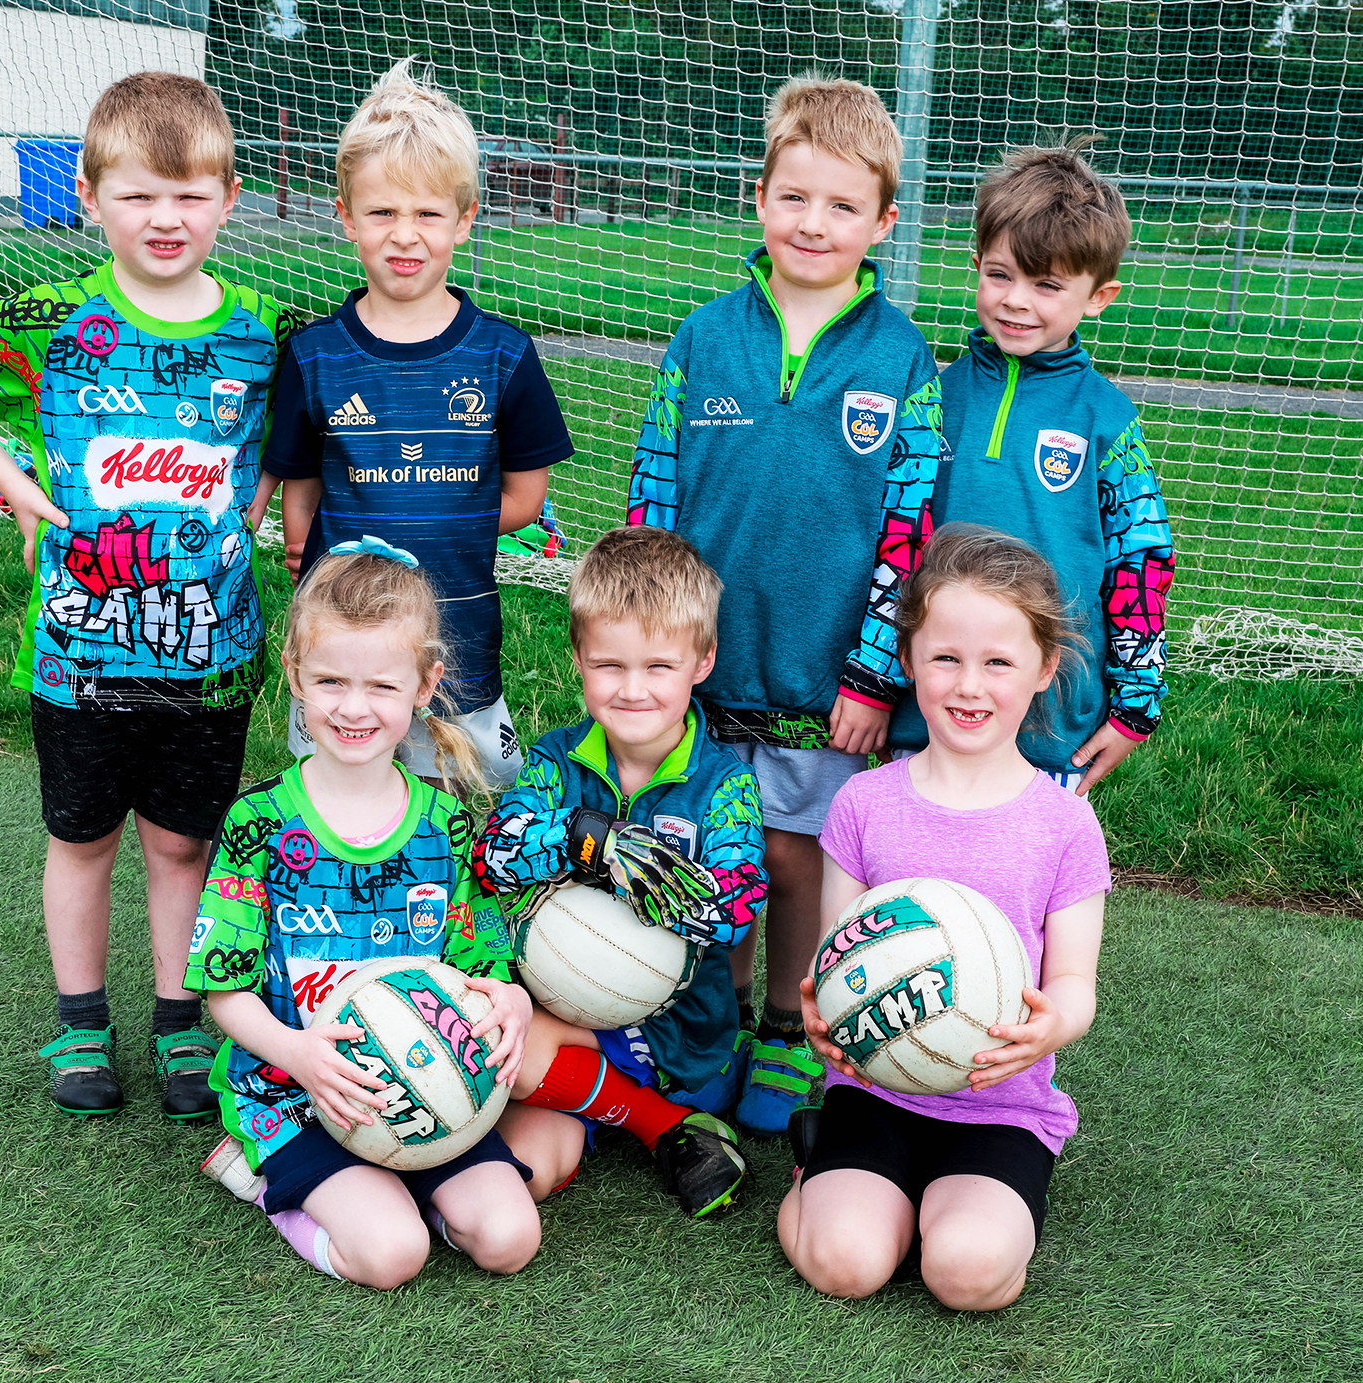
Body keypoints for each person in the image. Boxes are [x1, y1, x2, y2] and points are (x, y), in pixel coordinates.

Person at [0, 73, 292, 1121]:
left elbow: (297, 441)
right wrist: (19, 489)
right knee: (82, 839)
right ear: (88, 195)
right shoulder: (55, 322)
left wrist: (252, 504)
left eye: (189, 194)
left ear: (229, 197)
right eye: (139, 194)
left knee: (181, 844)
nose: (165, 218)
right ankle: (79, 1022)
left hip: (212, 653)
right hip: (78, 652)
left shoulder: (263, 333)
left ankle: (177, 1024)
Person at [626, 77, 947, 1138]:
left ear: (882, 223)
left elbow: (909, 531)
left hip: (824, 680)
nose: (814, 223)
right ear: (757, 197)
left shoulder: (902, 360)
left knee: (797, 856)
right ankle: (701, 1023)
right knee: (709, 848)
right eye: (794, 197)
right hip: (703, 672)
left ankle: (783, 1026)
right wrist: (651, 646)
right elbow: (654, 495)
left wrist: (870, 673)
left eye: (842, 206)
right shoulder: (700, 339)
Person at [191, 541, 541, 1287]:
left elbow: (483, 965)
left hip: (431, 1090)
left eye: (382, 684)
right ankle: (260, 1179)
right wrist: (298, 1053)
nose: (353, 707)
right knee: (390, 1255)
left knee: (510, 1238)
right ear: (294, 677)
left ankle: (409, 1183)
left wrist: (510, 1000)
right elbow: (223, 989)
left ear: (426, 684)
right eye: (330, 681)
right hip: (292, 1093)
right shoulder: (260, 823)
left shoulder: (443, 825)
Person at [781, 523, 1111, 1310]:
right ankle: (819, 1166)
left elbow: (1073, 983)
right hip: (877, 1087)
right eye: (946, 658)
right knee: (846, 1265)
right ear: (909, 663)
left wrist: (1049, 1026)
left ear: (1044, 668)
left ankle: (965, 1212)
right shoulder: (864, 803)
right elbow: (835, 958)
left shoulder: (1064, 823)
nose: (970, 685)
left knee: (965, 1274)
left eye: (998, 661)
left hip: (1001, 1104)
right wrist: (822, 1017)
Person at [261, 58, 574, 789]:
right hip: (348, 653)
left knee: (471, 815)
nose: (405, 235)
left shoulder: (503, 356)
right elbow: (300, 493)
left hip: (459, 644)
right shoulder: (314, 356)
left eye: (428, 213)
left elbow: (527, 497)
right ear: (345, 217)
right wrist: (316, 550)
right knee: (343, 801)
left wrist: (440, 519)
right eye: (382, 212)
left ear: (463, 220)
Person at [473, 526, 769, 1218]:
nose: (633, 690)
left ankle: (664, 1112)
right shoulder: (555, 762)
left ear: (703, 659)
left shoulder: (723, 783)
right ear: (577, 656)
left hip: (674, 1036)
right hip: (560, 1006)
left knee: (503, 1044)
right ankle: (660, 1131)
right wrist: (589, 841)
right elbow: (493, 855)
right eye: (610, 665)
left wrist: (647, 872)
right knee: (521, 1172)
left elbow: (738, 902)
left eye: (659, 667)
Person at [887, 142, 1176, 793]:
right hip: (922, 717)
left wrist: (1136, 705)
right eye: (1001, 275)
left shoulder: (1107, 421)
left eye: (1047, 285)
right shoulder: (933, 397)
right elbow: (893, 539)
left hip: (1048, 732)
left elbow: (1143, 561)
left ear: (1099, 296)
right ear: (976, 266)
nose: (1017, 300)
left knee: (1021, 891)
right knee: (911, 891)